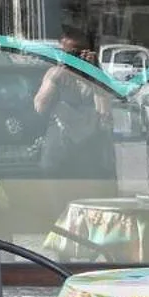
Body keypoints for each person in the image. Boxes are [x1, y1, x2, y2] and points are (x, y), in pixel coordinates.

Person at [34, 27, 115, 181]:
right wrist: (57, 76)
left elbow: (104, 113)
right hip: (60, 147)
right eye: (69, 54)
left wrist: (95, 73)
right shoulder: (55, 74)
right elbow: (40, 107)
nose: (75, 59)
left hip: (91, 150)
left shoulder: (97, 76)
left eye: (79, 53)